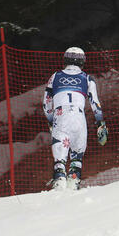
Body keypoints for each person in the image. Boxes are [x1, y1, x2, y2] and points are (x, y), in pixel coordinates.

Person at [43, 46, 108, 190]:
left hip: (61, 115)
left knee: (60, 159)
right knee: (77, 156)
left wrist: (51, 121)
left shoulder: (55, 76)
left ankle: (59, 179)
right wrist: (101, 124)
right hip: (79, 117)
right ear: (82, 61)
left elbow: (46, 103)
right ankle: (74, 180)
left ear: (65, 60)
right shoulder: (87, 79)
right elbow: (95, 104)